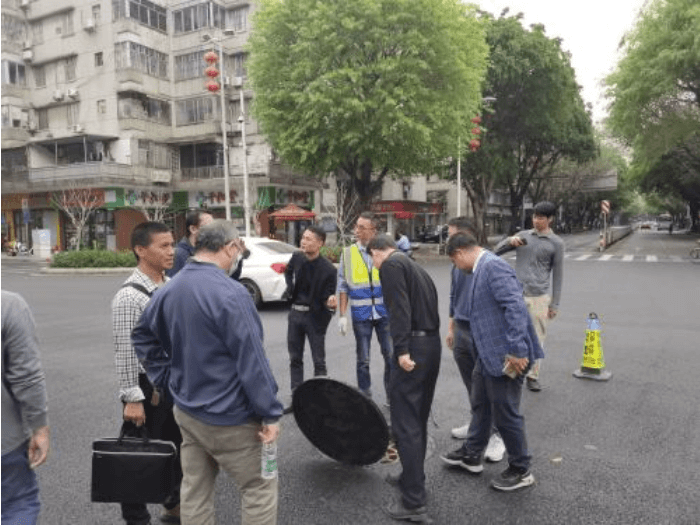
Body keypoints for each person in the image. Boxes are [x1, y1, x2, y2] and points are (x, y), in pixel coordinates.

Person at [132, 220, 283, 525]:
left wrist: (166, 378)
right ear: (229, 247)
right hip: (233, 416)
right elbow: (252, 361)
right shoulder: (232, 293)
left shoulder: (168, 289)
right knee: (258, 487)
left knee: (195, 489)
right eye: (238, 250)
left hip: (188, 411)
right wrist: (270, 413)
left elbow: (142, 336)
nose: (238, 256)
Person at [440, 233, 543, 492]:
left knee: (505, 412)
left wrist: (517, 350)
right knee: (481, 402)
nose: (455, 267)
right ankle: (472, 453)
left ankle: (521, 469)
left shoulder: (493, 267)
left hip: (506, 355)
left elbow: (515, 307)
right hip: (487, 354)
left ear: (460, 253)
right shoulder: (482, 266)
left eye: (453, 261)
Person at [366, 235, 440, 523]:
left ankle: (413, 501)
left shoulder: (391, 266)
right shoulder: (414, 265)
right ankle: (412, 477)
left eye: (372, 259)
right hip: (430, 344)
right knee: (417, 419)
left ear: (376, 252)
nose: (374, 265)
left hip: (413, 346)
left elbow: (398, 309)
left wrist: (401, 350)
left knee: (405, 423)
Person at [112, 221, 182, 525]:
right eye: (163, 246)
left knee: (175, 449)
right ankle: (136, 517)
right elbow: (127, 349)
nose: (171, 251)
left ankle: (173, 506)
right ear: (140, 250)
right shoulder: (130, 296)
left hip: (170, 383)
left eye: (172, 244)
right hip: (145, 387)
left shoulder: (168, 284)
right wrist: (132, 397)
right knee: (136, 456)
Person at [445, 217, 506, 462]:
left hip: (482, 331)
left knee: (491, 387)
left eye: (451, 233)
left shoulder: (487, 264)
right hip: (461, 329)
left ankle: (498, 435)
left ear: (466, 235)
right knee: (473, 386)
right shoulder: (456, 262)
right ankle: (478, 425)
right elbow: (453, 296)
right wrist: (451, 328)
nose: (448, 238)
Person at [494, 201, 564, 392]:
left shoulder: (556, 243)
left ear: (550, 219)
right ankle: (511, 371)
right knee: (511, 335)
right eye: (534, 216)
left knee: (536, 338)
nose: (536, 220)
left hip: (539, 297)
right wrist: (509, 241)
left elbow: (558, 275)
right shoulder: (523, 236)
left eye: (540, 217)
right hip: (515, 296)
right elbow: (495, 252)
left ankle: (532, 376)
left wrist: (555, 304)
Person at [2, 291, 50, 525]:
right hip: (5, 440)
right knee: (16, 504)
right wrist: (39, 427)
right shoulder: (9, 306)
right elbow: (26, 377)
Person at [334, 212, 393, 401]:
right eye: (356, 226)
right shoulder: (347, 253)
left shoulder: (385, 251)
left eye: (361, 227)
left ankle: (392, 395)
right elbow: (343, 286)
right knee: (363, 359)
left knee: (390, 356)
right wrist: (342, 315)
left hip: (384, 313)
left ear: (373, 230)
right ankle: (364, 396)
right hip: (361, 314)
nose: (356, 230)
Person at [284, 225, 337, 411]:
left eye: (308, 239)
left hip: (314, 318)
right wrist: (289, 288)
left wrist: (330, 303)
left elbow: (328, 295)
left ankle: (320, 402)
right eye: (303, 238)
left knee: (318, 361)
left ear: (320, 243)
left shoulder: (328, 269)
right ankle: (296, 400)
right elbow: (288, 271)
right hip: (295, 315)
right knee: (295, 359)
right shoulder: (297, 257)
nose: (303, 242)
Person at [166, 209, 213, 278]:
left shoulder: (208, 252)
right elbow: (172, 282)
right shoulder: (179, 255)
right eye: (209, 227)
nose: (213, 231)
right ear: (193, 229)